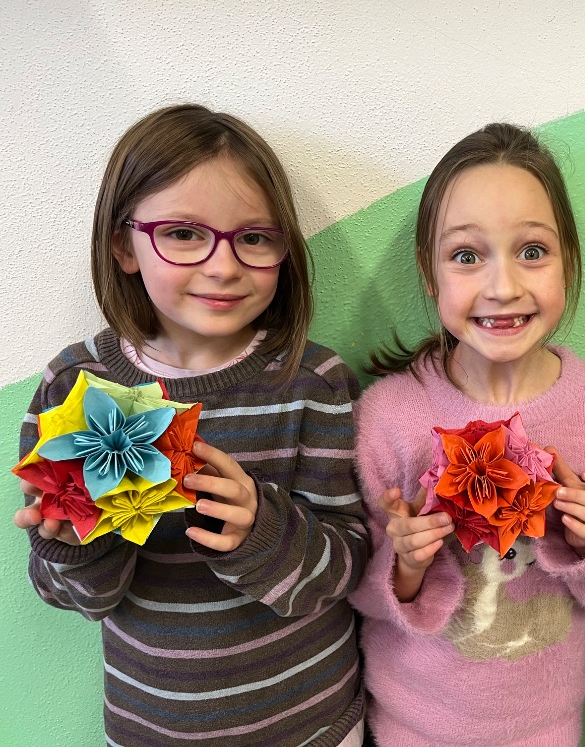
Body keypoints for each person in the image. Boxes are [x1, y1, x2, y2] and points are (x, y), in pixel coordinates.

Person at [13, 105, 370, 747]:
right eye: (182, 233)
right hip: (150, 726)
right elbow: (69, 597)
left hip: (312, 723)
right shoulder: (76, 387)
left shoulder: (312, 383)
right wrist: (75, 543)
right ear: (123, 245)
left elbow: (349, 565)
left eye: (254, 238)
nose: (224, 266)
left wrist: (263, 532)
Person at [349, 122, 585, 746]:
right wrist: (407, 564)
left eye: (532, 251)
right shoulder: (389, 415)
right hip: (413, 722)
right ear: (430, 274)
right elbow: (365, 596)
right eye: (466, 256)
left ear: (568, 261)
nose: (504, 287)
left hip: (546, 723)